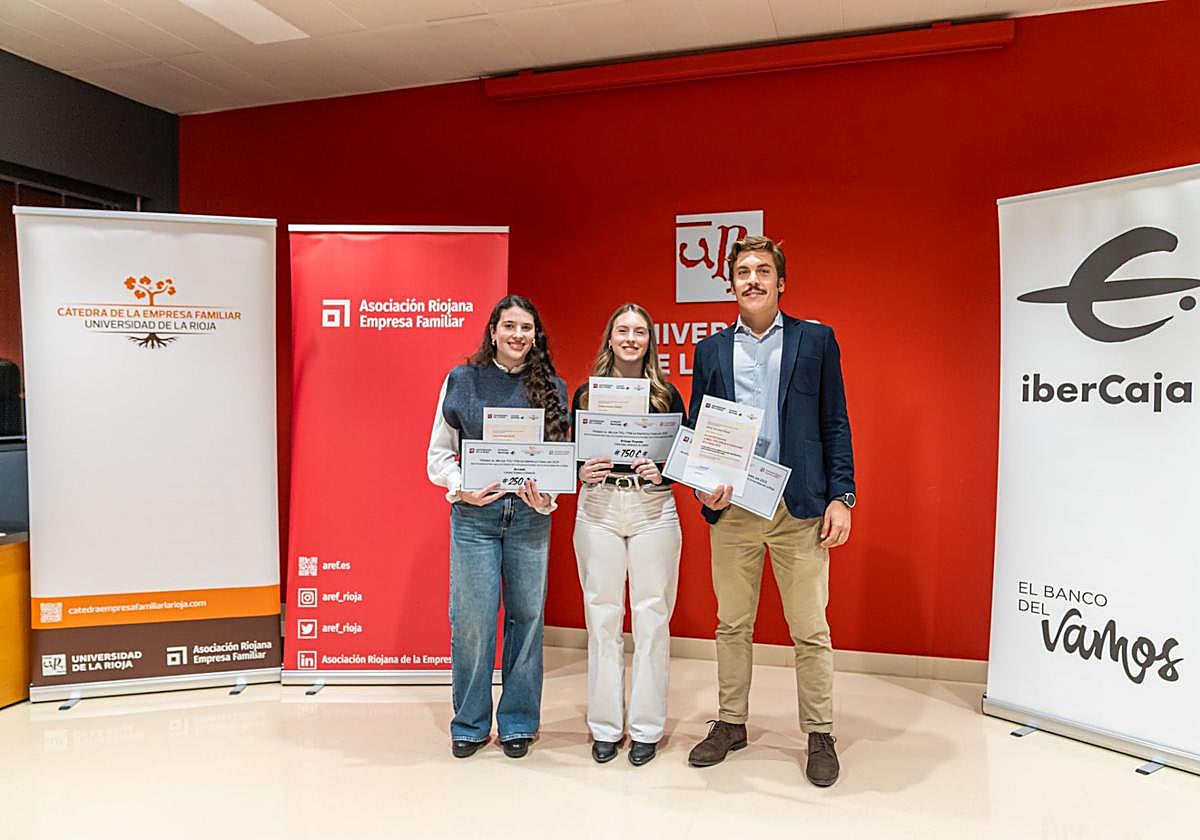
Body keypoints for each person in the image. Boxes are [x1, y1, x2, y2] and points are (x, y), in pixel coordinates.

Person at [685, 236, 855, 787]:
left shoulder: (816, 340)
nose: (752, 279)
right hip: (733, 507)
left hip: (798, 506)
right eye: (742, 271)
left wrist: (842, 495)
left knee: (810, 629)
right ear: (730, 284)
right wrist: (701, 487)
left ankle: (820, 731)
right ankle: (731, 723)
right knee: (731, 624)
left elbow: (835, 423)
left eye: (763, 271)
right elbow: (696, 430)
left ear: (781, 283)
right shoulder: (710, 351)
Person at [427, 294, 569, 760]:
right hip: (475, 518)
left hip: (529, 519)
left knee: (527, 622)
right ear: (493, 332)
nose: (517, 335)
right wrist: (459, 486)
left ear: (536, 336)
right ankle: (468, 723)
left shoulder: (553, 386)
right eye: (509, 326)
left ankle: (518, 722)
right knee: (471, 623)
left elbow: (558, 460)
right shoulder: (462, 380)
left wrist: (547, 497)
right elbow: (439, 453)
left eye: (526, 328)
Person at [572, 304, 686, 767]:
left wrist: (662, 472)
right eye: (623, 330)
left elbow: (681, 461)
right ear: (610, 337)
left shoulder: (666, 396)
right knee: (601, 618)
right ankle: (604, 727)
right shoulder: (584, 395)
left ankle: (646, 729)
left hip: (651, 509)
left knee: (652, 619)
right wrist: (582, 469)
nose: (631, 338)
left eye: (640, 331)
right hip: (598, 507)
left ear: (649, 341)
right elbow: (567, 456)